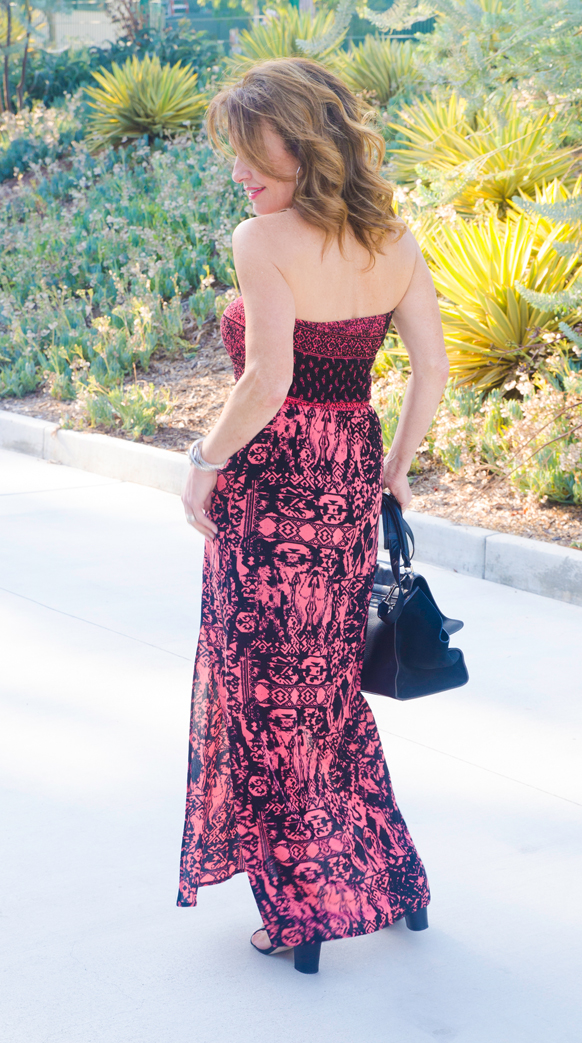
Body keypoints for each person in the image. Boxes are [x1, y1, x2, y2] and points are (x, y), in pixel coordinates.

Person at [178, 57, 449, 975]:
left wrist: (202, 465)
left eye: (255, 149)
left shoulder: (264, 240)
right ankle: (389, 883)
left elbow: (267, 380)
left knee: (267, 696)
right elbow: (431, 370)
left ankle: (304, 906)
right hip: (346, 483)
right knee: (323, 690)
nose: (242, 172)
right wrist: (394, 472)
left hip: (274, 481)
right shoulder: (395, 238)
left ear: (306, 137)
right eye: (235, 154)